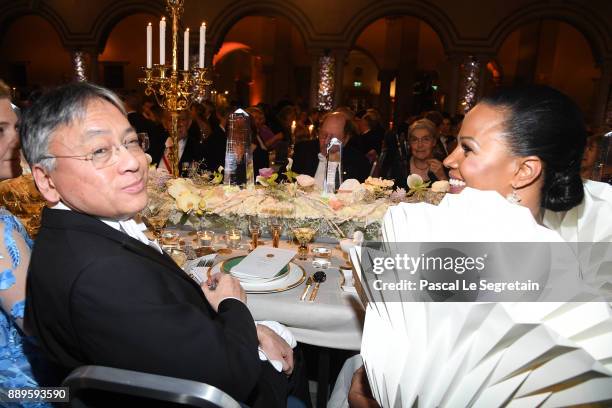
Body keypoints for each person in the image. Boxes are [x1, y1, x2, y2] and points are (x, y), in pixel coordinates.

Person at [20, 82, 302, 407]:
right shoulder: (101, 272)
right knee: (301, 357)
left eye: (130, 142)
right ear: (46, 179)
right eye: (99, 151)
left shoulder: (72, 232)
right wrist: (233, 305)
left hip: (190, 355)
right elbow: (229, 375)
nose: (133, 162)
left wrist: (249, 329)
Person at [343, 84, 612, 407]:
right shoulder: (446, 239)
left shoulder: (567, 274)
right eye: (456, 144)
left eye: (468, 149)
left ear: (524, 170)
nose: (451, 159)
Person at [0, 80, 52, 406]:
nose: (16, 140)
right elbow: (42, 328)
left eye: (15, 128)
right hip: (32, 392)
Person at [312, 111, 371, 188]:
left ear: (346, 139)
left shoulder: (359, 163)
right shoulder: (302, 151)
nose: (326, 142)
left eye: (333, 138)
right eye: (324, 135)